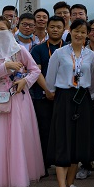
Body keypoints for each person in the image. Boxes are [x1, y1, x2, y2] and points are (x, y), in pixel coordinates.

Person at [0, 15, 44, 187]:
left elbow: (35, 70)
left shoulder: (20, 50)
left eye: (3, 29)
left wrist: (25, 81)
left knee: (17, 138)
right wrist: (6, 66)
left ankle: (17, 181)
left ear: (11, 31)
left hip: (18, 98)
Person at [45, 19, 94, 187]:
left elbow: (93, 82)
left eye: (83, 32)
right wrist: (57, 94)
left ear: (87, 35)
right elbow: (50, 80)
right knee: (63, 140)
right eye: (76, 31)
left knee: (78, 141)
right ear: (70, 31)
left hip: (83, 98)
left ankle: (70, 184)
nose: (79, 35)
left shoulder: (91, 55)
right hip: (64, 98)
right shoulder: (59, 53)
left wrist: (88, 96)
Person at [30, 15, 66, 173]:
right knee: (44, 129)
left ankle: (62, 161)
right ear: (47, 28)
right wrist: (47, 90)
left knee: (62, 130)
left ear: (64, 29)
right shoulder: (38, 49)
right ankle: (44, 163)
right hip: (42, 95)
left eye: (59, 27)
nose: (55, 30)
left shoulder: (69, 48)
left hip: (64, 96)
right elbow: (36, 71)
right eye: (52, 27)